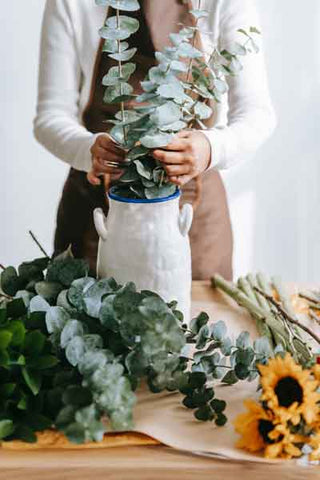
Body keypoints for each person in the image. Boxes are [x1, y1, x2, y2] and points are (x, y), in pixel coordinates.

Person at [34, 0, 276, 280]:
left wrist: (209, 149)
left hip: (192, 215)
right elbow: (50, 115)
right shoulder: (72, 3)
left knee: (193, 318)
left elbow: (257, 114)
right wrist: (86, 150)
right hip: (97, 212)